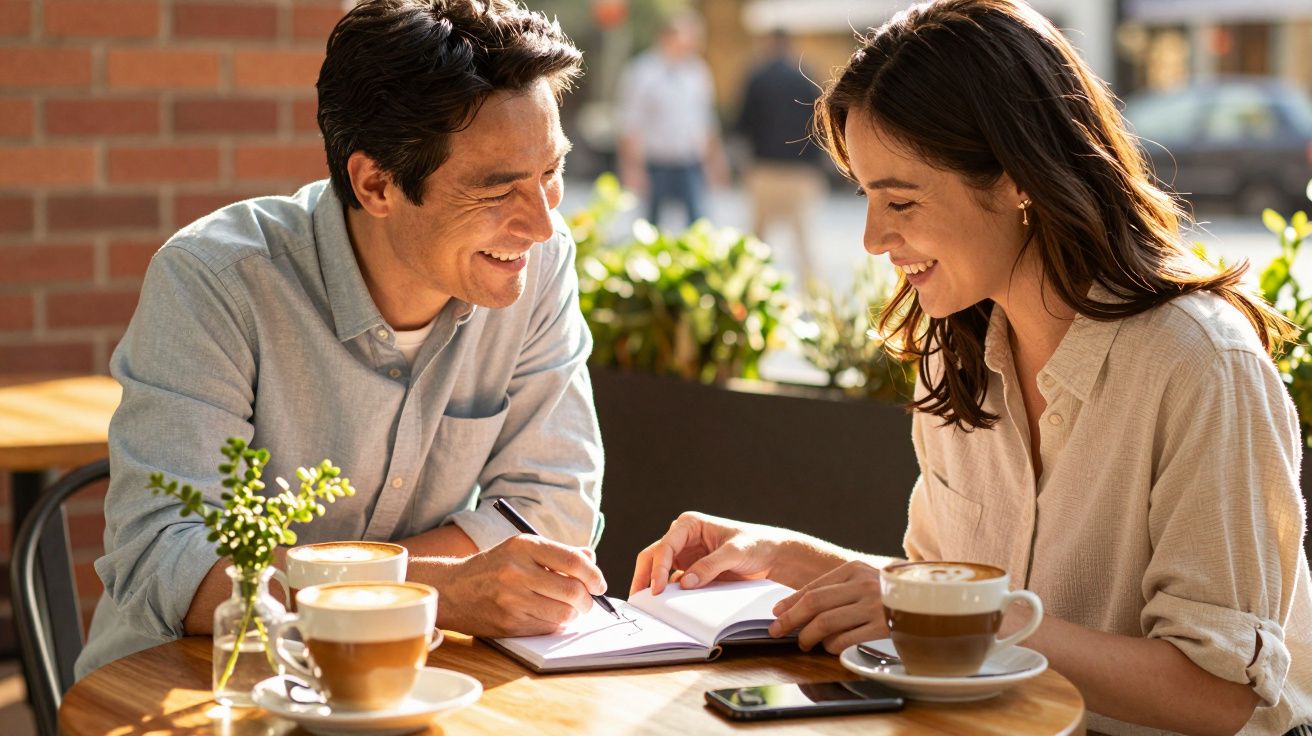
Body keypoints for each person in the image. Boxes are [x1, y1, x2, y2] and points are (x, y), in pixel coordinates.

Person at [630, 1, 1311, 734]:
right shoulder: (954, 353)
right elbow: (944, 598)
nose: (871, 237)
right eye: (865, 196)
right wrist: (782, 557)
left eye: (900, 199)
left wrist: (946, 612)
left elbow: (1215, 695)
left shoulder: (1200, 365)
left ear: (1018, 177)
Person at [77, 0, 608, 678]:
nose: (539, 223)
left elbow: (556, 512)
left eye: (551, 174)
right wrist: (436, 590)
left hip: (416, 684)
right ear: (376, 183)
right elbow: (170, 562)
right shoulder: (215, 280)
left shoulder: (535, 265)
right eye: (499, 190)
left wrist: (338, 587)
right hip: (203, 688)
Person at [616, 13, 729, 230]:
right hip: (655, 162)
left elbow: (706, 121)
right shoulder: (642, 72)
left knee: (698, 225)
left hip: (689, 162)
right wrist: (632, 168)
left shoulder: (697, 72)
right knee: (650, 227)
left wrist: (715, 161)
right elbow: (630, 124)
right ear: (667, 38)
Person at [736, 29, 828, 287]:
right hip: (801, 171)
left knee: (756, 240)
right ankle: (813, 300)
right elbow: (822, 123)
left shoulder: (756, 77)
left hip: (764, 168)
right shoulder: (807, 77)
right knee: (803, 241)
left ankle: (748, 293)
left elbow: (742, 124)